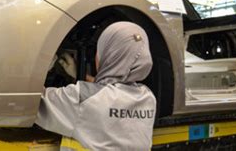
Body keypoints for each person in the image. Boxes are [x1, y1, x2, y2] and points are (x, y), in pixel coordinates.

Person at [35, 22, 157, 150]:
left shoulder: (80, 99)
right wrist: (80, 75)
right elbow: (110, 95)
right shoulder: (148, 98)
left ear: (107, 56)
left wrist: (42, 67)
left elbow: (33, 103)